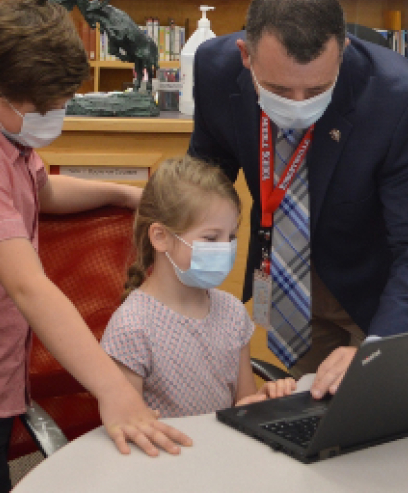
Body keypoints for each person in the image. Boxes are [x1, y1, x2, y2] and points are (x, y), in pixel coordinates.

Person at [0, 0, 191, 493]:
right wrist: (113, 389)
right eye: (46, 106)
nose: (56, 114)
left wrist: (122, 193)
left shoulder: (5, 136)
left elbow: (42, 190)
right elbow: (29, 286)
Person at [188, 0, 408, 399]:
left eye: (318, 89)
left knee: (390, 433)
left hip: (388, 297)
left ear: (341, 53)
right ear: (245, 56)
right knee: (311, 426)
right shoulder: (215, 69)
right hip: (293, 290)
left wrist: (377, 348)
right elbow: (203, 181)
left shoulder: (396, 99)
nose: (299, 104)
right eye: (280, 90)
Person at [101, 156, 298, 418]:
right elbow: (128, 424)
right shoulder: (132, 327)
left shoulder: (232, 312)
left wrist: (264, 400)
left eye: (231, 237)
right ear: (160, 237)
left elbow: (243, 404)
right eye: (211, 237)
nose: (225, 248)